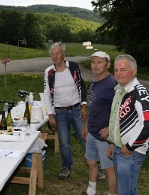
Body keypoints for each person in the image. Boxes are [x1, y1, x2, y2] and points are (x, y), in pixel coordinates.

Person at [107, 54, 149, 195]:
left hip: (131, 151)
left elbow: (148, 125)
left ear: (134, 72)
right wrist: (112, 143)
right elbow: (116, 121)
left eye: (123, 70)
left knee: (125, 191)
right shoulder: (120, 90)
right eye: (116, 70)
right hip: (119, 148)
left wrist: (130, 146)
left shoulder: (141, 94)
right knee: (129, 189)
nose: (119, 74)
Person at [44, 42, 87, 179]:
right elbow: (46, 95)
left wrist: (84, 105)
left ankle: (95, 167)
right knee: (65, 143)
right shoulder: (49, 72)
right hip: (60, 113)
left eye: (58, 53)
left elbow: (82, 86)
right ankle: (66, 167)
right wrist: (51, 115)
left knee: (86, 138)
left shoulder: (73, 67)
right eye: (52, 54)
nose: (55, 57)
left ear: (64, 54)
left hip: (76, 109)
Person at [82, 51, 117, 195]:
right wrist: (86, 126)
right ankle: (91, 190)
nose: (95, 65)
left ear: (108, 65)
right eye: (93, 62)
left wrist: (110, 128)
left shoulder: (113, 85)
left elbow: (121, 110)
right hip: (92, 131)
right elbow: (93, 107)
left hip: (104, 135)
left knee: (109, 169)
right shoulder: (95, 83)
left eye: (99, 62)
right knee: (90, 161)